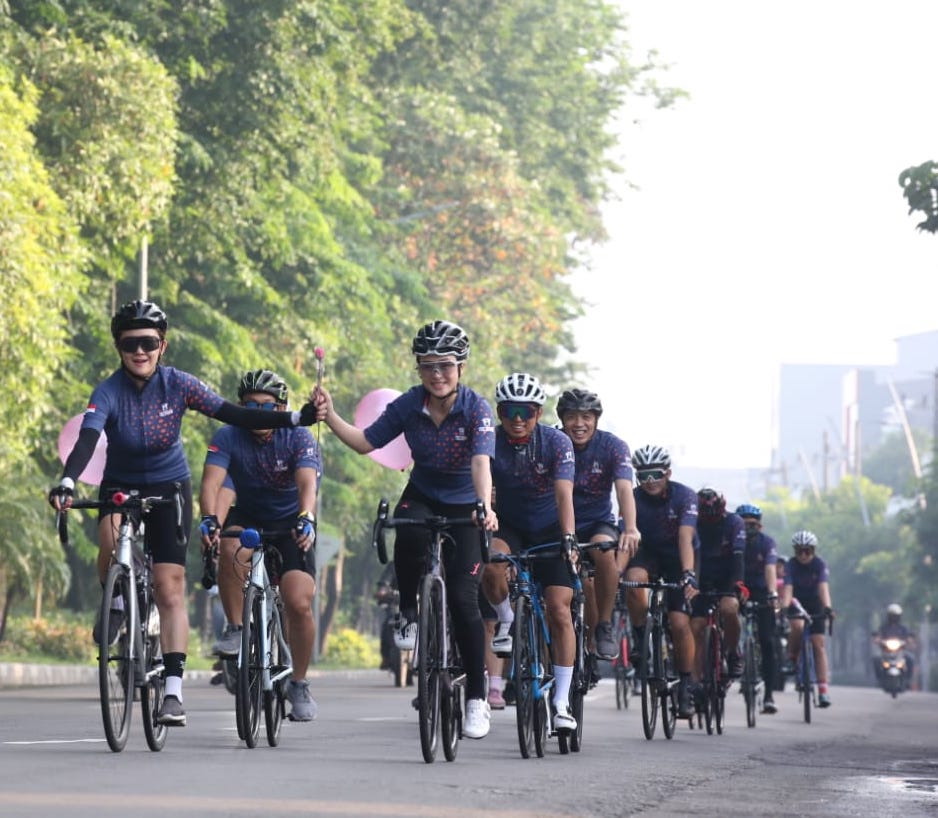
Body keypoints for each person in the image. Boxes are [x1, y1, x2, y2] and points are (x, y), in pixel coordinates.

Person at [48, 300, 318, 727]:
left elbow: (232, 412)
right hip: (120, 483)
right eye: (130, 343)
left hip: (169, 486)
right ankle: (116, 598)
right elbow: (88, 438)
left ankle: (172, 692)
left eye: (149, 343)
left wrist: (295, 418)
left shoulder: (179, 385)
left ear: (163, 346)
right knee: (108, 537)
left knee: (169, 587)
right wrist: (67, 480)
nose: (140, 351)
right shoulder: (108, 391)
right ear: (118, 347)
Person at [312, 319, 497, 740]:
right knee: (408, 529)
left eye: (445, 366)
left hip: (467, 500)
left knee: (465, 602)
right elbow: (364, 443)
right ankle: (410, 613)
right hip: (424, 491)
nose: (437, 374)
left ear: (461, 367)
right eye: (427, 366)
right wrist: (331, 414)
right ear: (417, 369)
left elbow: (481, 462)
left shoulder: (477, 409)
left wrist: (484, 506)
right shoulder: (408, 405)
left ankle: (477, 700)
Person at [198, 369, 322, 722]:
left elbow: (306, 483)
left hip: (290, 519)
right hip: (248, 515)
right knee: (227, 546)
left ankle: (299, 682)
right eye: (249, 405)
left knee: (299, 602)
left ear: (282, 407)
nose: (257, 412)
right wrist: (209, 519)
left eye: (266, 406)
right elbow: (213, 484)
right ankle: (237, 629)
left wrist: (306, 516)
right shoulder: (228, 435)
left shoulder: (298, 437)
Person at [481, 372, 579, 731]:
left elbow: (564, 494)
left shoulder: (557, 443)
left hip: (550, 526)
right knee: (491, 563)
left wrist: (568, 538)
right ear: (500, 412)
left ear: (538, 413)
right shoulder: (489, 440)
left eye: (526, 411)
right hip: (509, 525)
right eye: (509, 411)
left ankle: (562, 702)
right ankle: (507, 617)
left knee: (559, 609)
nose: (518, 419)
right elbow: (480, 481)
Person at [556, 389, 640, 662]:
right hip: (556, 521)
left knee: (605, 555)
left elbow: (624, 489)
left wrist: (630, 527)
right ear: (562, 419)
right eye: (571, 417)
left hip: (597, 522)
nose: (579, 424)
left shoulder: (613, 446)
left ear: (596, 419)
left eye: (586, 417)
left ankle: (604, 625)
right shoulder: (553, 441)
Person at [623, 445, 699, 718]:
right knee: (633, 580)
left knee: (679, 623)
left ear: (667, 472)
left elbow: (685, 538)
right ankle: (642, 635)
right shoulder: (632, 497)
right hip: (648, 553)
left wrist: (688, 573)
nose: (650, 481)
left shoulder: (685, 496)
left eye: (655, 474)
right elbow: (625, 541)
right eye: (643, 476)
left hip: (680, 556)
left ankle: (686, 684)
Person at [690, 489, 747, 689]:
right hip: (701, 575)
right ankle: (695, 683)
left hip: (727, 576)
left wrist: (738, 585)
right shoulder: (692, 522)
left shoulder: (734, 522)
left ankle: (733, 652)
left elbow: (738, 558)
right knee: (695, 627)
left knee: (729, 608)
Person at [779, 530, 834, 708]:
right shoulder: (790, 565)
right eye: (799, 551)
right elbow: (788, 588)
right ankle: (792, 656)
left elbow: (823, 587)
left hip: (815, 602)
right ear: (795, 551)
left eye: (807, 551)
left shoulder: (819, 564)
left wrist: (827, 608)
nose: (803, 555)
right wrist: (785, 607)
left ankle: (823, 691)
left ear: (814, 550)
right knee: (798, 627)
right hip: (796, 602)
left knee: (818, 644)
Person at [736, 503, 780, 714]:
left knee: (768, 641)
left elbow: (770, 568)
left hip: (762, 592)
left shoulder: (767, 543)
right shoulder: (733, 540)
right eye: (744, 524)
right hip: (737, 589)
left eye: (752, 524)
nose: (748, 528)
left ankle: (769, 695)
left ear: (760, 526)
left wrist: (772, 593)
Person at [872, 603, 916, 689]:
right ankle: (879, 679)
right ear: (888, 616)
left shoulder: (903, 628)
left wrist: (909, 640)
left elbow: (908, 637)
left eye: (895, 616)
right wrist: (877, 639)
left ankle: (908, 679)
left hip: (900, 652)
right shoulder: (884, 627)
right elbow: (878, 636)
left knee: (910, 658)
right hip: (886, 652)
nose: (894, 618)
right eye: (892, 616)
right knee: (876, 658)